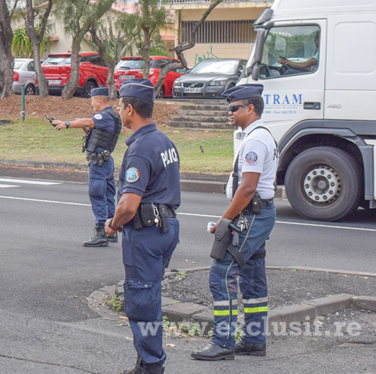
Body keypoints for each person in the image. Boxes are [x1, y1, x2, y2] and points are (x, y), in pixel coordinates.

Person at [191, 84, 277, 362]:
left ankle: (223, 342)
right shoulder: (258, 136)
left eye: (233, 108)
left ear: (250, 108)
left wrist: (225, 220)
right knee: (252, 275)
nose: (229, 113)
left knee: (221, 273)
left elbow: (248, 188)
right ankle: (253, 340)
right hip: (257, 213)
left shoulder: (254, 140)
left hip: (251, 214)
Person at [104, 78, 180, 374]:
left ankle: (151, 364)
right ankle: (148, 360)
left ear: (130, 109)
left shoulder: (139, 148)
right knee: (151, 295)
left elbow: (128, 204)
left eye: (121, 105)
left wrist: (112, 225)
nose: (120, 110)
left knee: (140, 299)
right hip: (166, 226)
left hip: (146, 233)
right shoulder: (163, 141)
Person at [52, 86, 122, 247]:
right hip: (105, 161)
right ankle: (110, 229)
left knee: (98, 195)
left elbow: (90, 122)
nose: (92, 104)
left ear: (98, 101)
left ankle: (101, 232)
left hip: (99, 163)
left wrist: (67, 124)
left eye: (92, 101)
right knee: (108, 196)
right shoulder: (109, 116)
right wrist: (82, 125)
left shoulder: (104, 116)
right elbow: (92, 130)